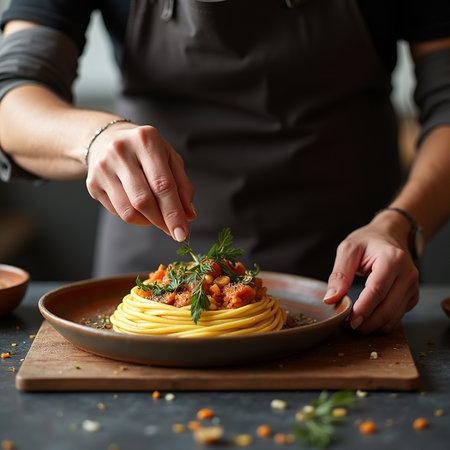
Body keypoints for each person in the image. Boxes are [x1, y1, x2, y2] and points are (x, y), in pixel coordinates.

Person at [0, 0, 449, 335]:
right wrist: (95, 138)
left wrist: (403, 223)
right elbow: (11, 98)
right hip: (151, 274)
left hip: (354, 281)